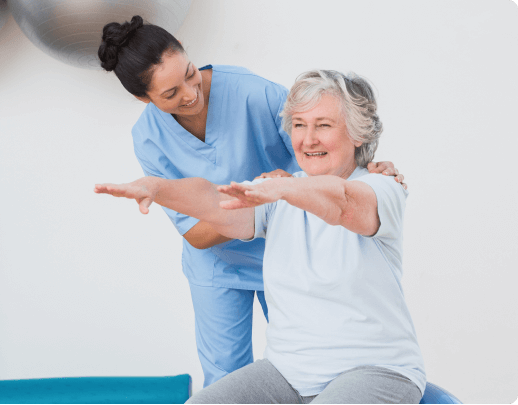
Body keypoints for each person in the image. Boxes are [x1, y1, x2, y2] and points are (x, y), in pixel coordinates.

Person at [97, 16, 408, 389]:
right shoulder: (148, 138)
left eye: (190, 73)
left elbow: (326, 148)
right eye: (170, 94)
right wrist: (248, 203)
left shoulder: (254, 94)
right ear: (142, 99)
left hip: (291, 251)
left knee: (311, 369)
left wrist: (369, 168)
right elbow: (196, 231)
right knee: (227, 381)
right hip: (219, 266)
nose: (190, 92)